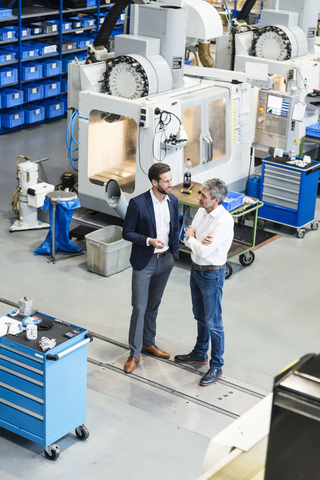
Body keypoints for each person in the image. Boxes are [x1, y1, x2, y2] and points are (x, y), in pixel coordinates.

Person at [174, 178, 234, 386]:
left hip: (211, 274)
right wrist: (195, 239)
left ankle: (216, 366)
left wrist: (193, 239)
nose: (199, 198)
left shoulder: (224, 222)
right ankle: (200, 353)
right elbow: (187, 234)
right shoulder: (201, 211)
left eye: (204, 196)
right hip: (196, 269)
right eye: (200, 193)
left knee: (214, 322)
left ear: (216, 200)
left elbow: (202, 248)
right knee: (199, 315)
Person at [122, 162, 179, 374]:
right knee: (139, 307)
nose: (170, 184)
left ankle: (149, 343)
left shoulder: (172, 201)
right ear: (154, 182)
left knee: (154, 305)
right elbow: (127, 232)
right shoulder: (138, 203)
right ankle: (134, 353)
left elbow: (175, 228)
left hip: (165, 261)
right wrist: (148, 240)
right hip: (144, 262)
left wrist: (174, 254)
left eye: (171, 179)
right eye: (166, 181)